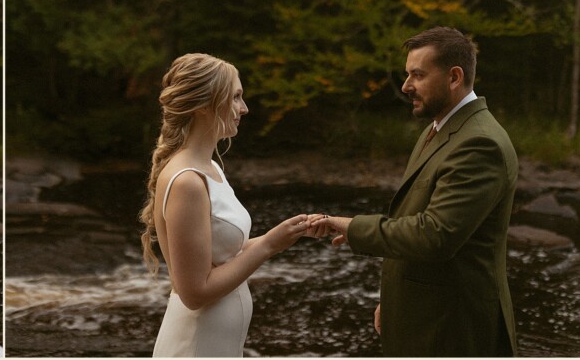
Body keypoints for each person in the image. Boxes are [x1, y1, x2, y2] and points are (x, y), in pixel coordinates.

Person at [312, 27, 519, 356]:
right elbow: (410, 219)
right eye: (408, 75)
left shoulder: (480, 143)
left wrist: (352, 226)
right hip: (425, 317)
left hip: (452, 329)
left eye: (417, 75)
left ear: (454, 77)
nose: (407, 86)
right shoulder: (438, 129)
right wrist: (393, 302)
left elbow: (435, 235)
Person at [140, 53, 318, 357]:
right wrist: (268, 246)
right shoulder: (187, 181)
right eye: (236, 97)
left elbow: (224, 257)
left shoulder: (211, 168)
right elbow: (194, 293)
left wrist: (284, 233)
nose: (244, 109)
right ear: (203, 106)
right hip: (195, 346)